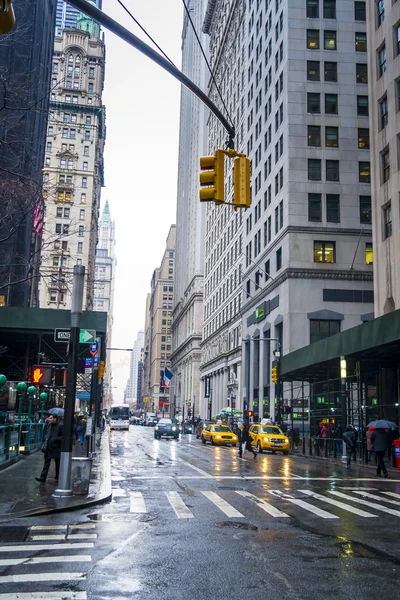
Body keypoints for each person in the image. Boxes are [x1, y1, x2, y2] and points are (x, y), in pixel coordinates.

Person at [35, 414, 63, 483]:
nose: (50, 419)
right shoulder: (49, 425)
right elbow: (47, 434)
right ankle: (43, 477)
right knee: (46, 462)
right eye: (50, 418)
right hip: (48, 446)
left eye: (51, 418)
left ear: (55, 419)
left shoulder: (60, 426)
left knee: (57, 463)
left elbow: (63, 436)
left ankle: (57, 477)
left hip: (56, 446)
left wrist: (55, 439)